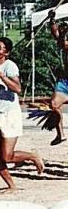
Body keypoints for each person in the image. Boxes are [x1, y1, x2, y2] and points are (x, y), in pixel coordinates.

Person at [0, 37, 44, 190]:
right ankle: (11, 185)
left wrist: (0, 75)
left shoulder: (10, 66)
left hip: (9, 114)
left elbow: (17, 88)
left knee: (7, 156)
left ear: (6, 53)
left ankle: (32, 156)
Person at [48, 10, 68, 145]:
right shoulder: (64, 39)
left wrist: (61, 34)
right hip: (65, 81)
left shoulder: (64, 42)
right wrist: (52, 21)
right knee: (54, 105)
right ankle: (61, 134)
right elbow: (56, 34)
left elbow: (62, 43)